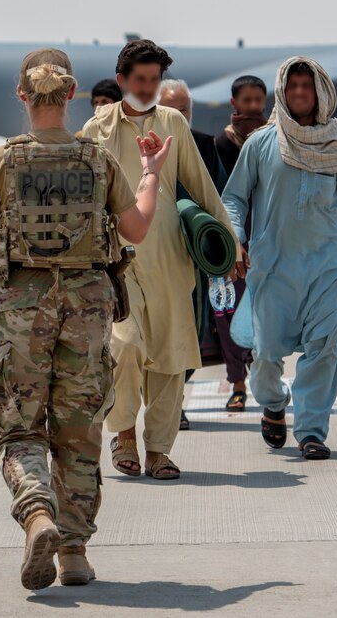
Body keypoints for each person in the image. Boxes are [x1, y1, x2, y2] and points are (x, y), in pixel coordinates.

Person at [0, 48, 172, 590]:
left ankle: (37, 513)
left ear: (23, 97)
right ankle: (74, 554)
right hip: (88, 308)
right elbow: (137, 229)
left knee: (19, 425)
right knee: (79, 428)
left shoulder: (3, 161)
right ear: (73, 94)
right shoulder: (97, 159)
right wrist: (150, 174)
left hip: (21, 309)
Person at [81, 40, 236, 480]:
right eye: (140, 80)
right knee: (123, 345)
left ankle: (160, 452)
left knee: (169, 359)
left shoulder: (172, 124)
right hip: (116, 261)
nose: (148, 88)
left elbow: (202, 187)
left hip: (170, 259)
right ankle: (124, 432)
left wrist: (231, 246)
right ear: (122, 80)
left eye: (155, 80)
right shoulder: (97, 129)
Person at [222, 57, 337, 460]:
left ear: (320, 91)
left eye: (306, 86)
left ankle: (311, 430)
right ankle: (274, 403)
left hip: (327, 268)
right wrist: (235, 237)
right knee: (265, 357)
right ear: (282, 90)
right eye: (292, 85)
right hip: (273, 269)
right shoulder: (262, 143)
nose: (298, 92)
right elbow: (235, 197)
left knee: (324, 349)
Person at [157, 78, 225, 430]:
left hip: (194, 255)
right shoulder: (147, 144)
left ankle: (175, 399)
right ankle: (166, 404)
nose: (179, 116)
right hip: (156, 253)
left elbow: (219, 195)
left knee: (193, 331)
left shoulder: (203, 144)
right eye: (172, 109)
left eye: (185, 110)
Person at [207, 75, 269, 411]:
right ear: (234, 103)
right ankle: (238, 382)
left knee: (266, 312)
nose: (253, 107)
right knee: (227, 312)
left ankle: (267, 378)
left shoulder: (274, 140)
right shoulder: (220, 144)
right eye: (247, 101)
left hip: (266, 237)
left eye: (259, 100)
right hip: (229, 239)